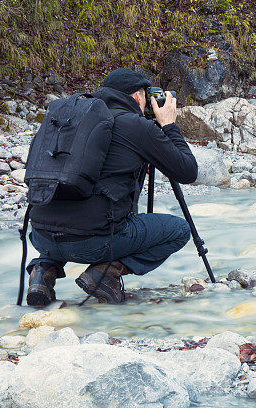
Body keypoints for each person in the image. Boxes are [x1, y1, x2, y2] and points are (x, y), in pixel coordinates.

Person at [25, 68, 198, 306]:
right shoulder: (135, 126)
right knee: (177, 230)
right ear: (138, 97)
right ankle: (104, 273)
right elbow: (188, 171)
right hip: (92, 243)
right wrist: (168, 125)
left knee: (69, 213)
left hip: (41, 236)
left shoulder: (70, 121)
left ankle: (42, 272)